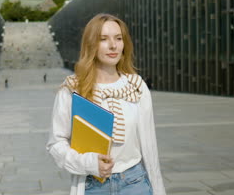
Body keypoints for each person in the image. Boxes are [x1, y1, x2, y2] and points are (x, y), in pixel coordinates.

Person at [46, 14, 166, 195]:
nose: (113, 45)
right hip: (92, 186)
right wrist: (89, 163)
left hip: (135, 183)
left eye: (118, 38)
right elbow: (55, 144)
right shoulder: (72, 89)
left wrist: (158, 190)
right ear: (91, 44)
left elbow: (150, 147)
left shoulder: (136, 86)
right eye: (103, 39)